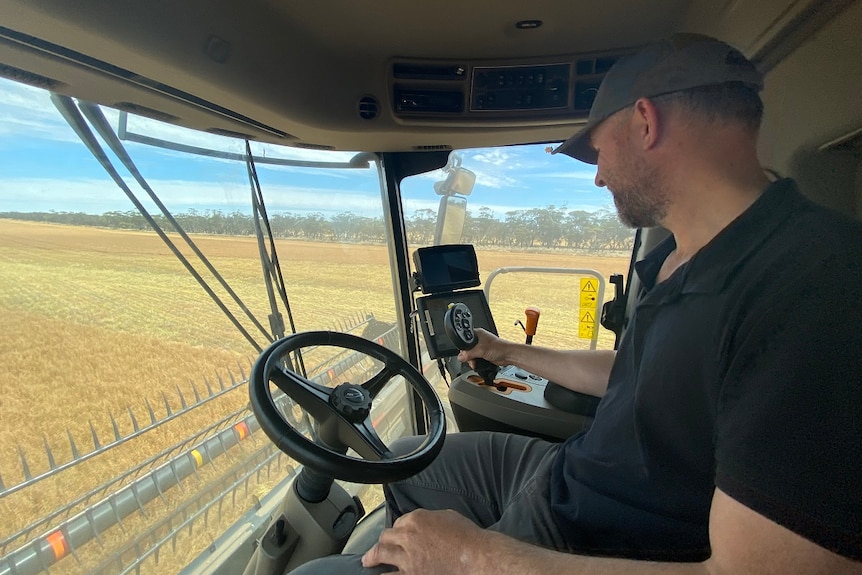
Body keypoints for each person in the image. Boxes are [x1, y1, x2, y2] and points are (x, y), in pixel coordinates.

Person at [292, 34, 862, 574]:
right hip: (575, 473)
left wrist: (472, 559)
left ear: (645, 121)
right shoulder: (684, 257)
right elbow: (639, 374)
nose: (597, 177)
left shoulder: (816, 286)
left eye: (595, 150)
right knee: (412, 455)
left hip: (606, 535)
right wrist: (506, 350)